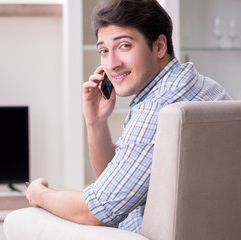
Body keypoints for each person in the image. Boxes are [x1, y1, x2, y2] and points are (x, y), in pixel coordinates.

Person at [26, 0, 232, 233]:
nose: (112, 64)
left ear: (159, 46)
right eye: (104, 50)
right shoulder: (198, 83)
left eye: (124, 46)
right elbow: (117, 181)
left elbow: (97, 210)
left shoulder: (157, 108)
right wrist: (96, 122)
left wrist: (38, 193)